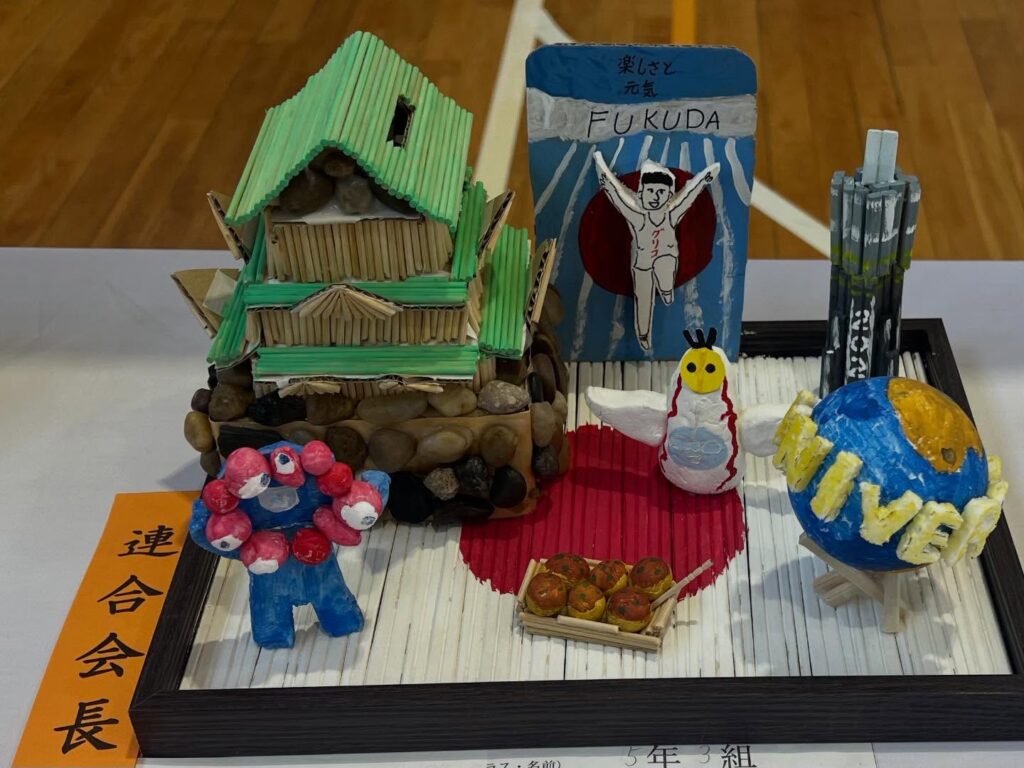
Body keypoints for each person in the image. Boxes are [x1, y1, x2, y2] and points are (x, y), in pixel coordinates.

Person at [594, 152, 720, 350]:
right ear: (641, 192)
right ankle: (643, 333)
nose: (655, 196)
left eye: (661, 192)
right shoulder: (637, 216)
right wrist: (604, 177)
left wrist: (704, 179)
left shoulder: (671, 214)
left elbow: (688, 196)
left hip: (666, 257)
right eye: (651, 190)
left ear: (669, 195)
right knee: (643, 298)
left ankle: (666, 289)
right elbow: (618, 198)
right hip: (642, 264)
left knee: (665, 271)